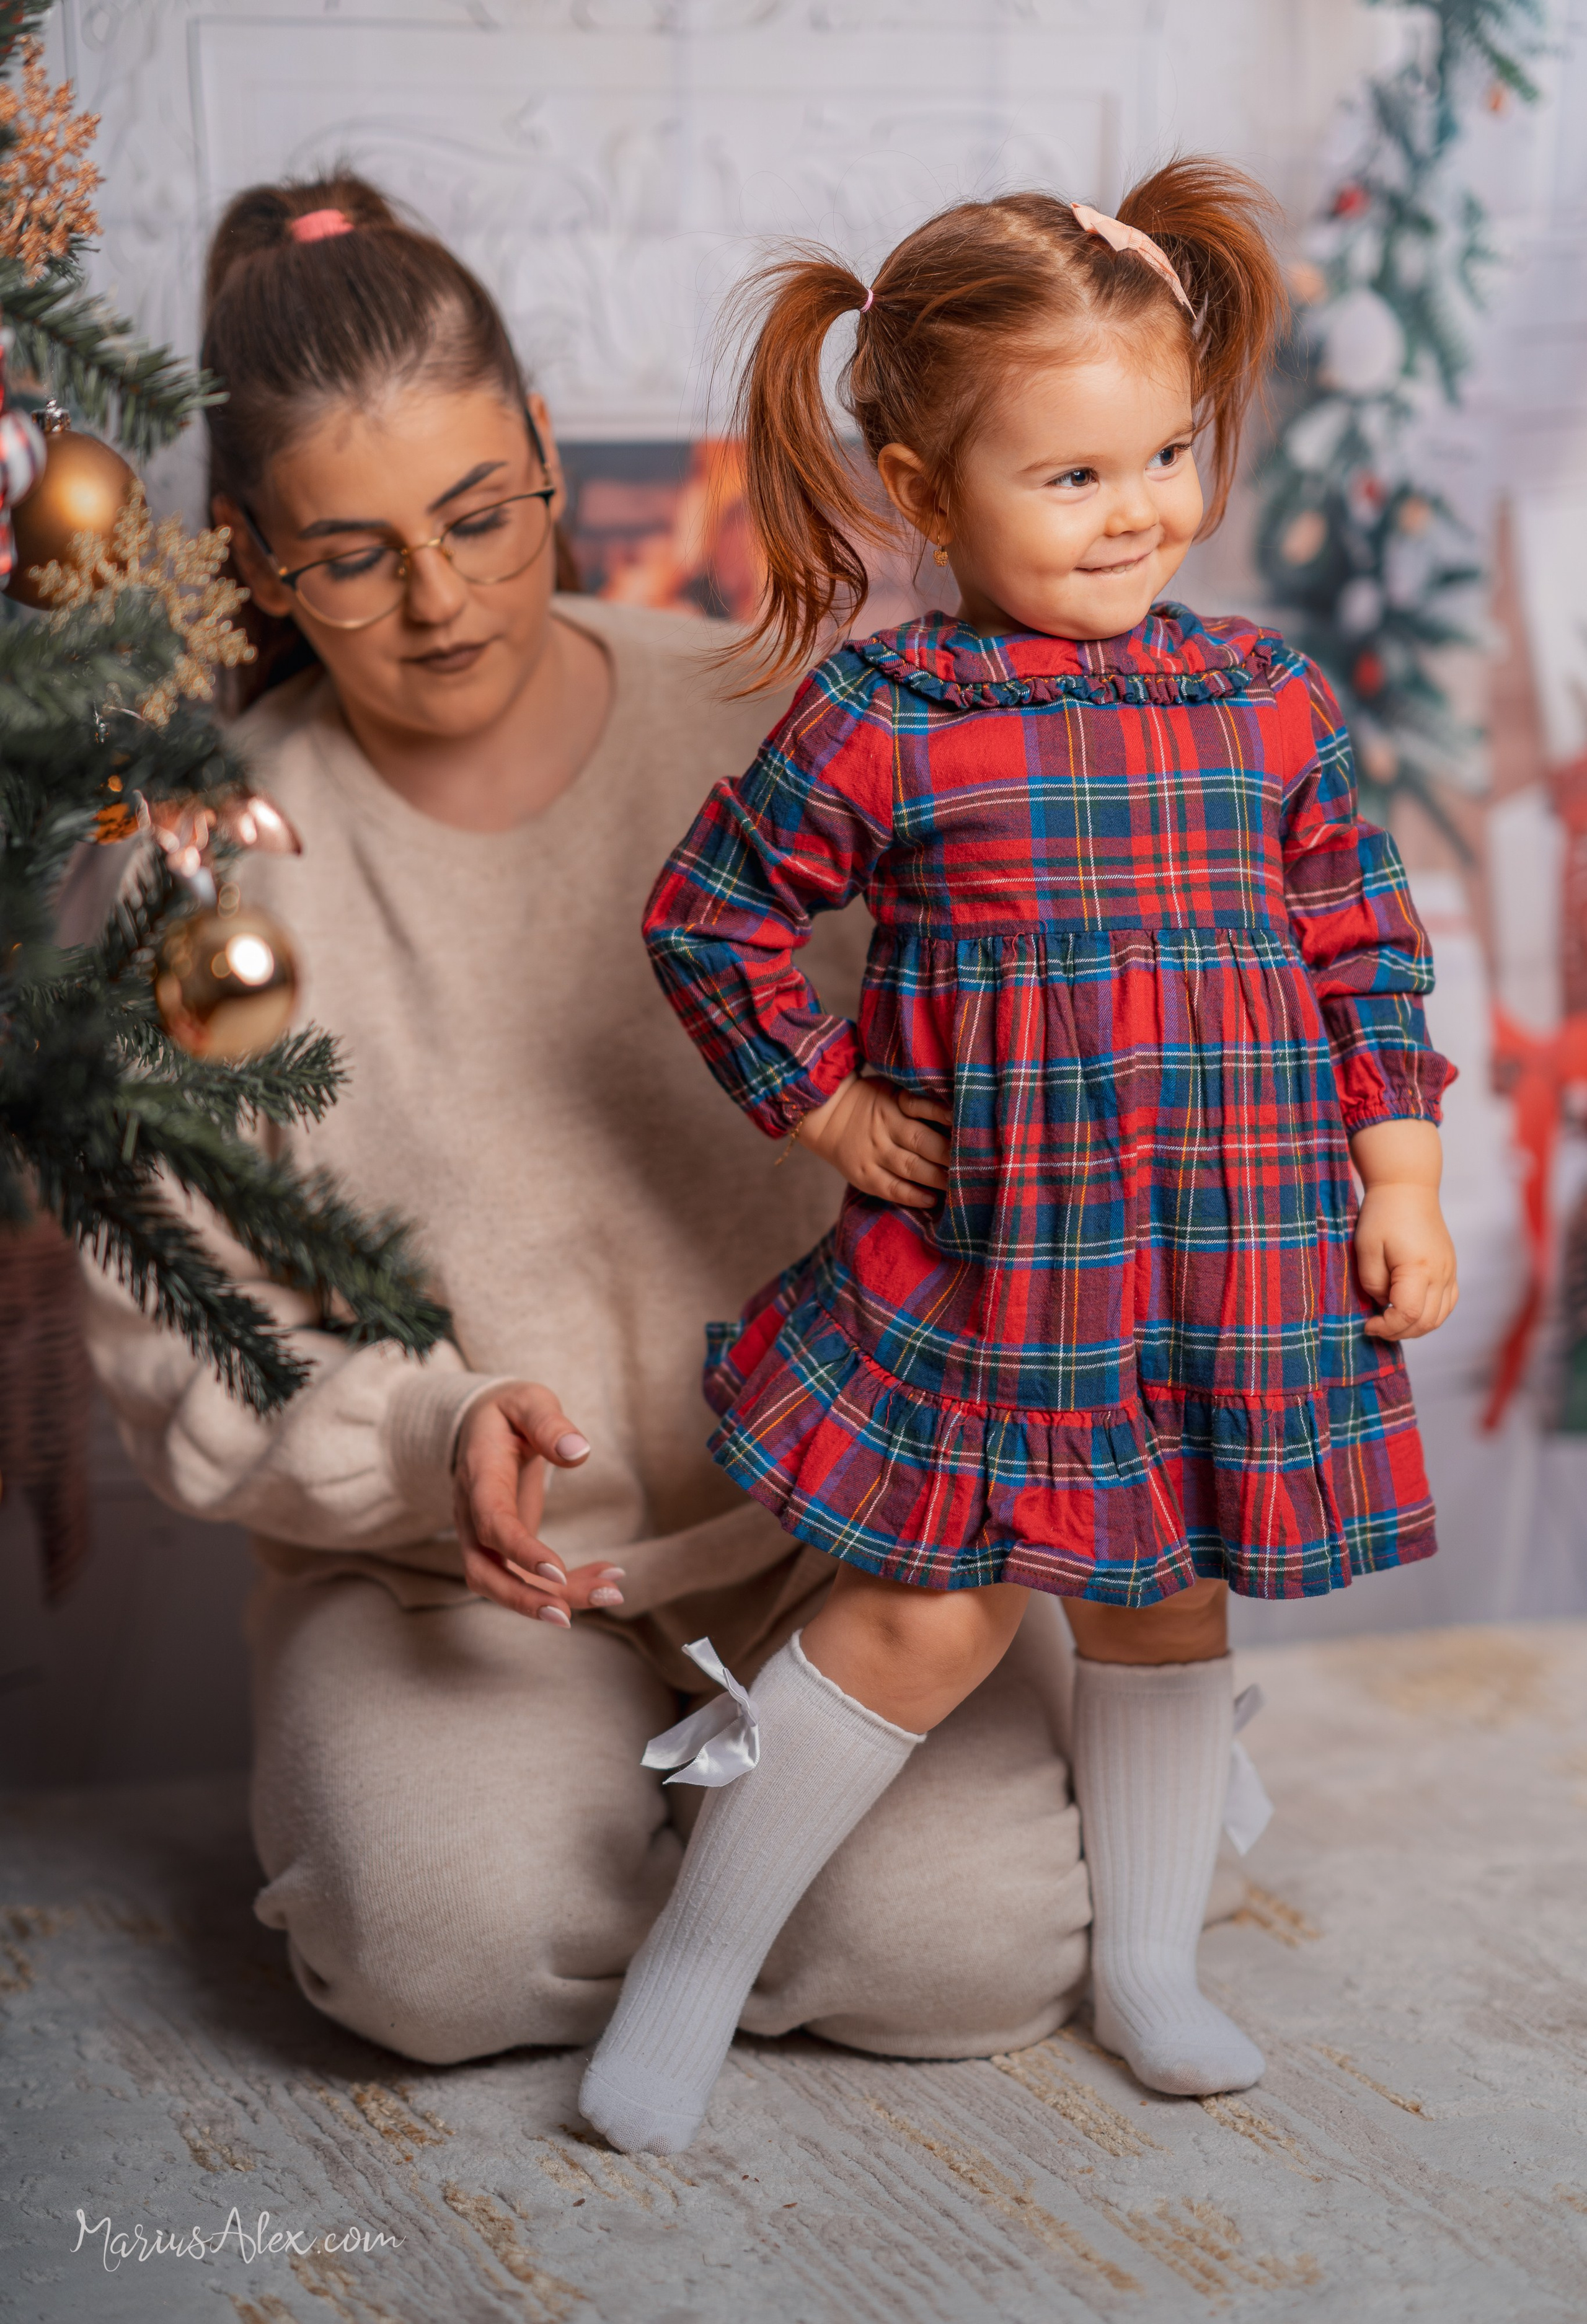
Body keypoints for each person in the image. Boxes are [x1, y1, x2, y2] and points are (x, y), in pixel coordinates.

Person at [80, 173, 1094, 2069]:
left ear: (548, 448)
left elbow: (1015, 1063)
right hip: (448, 1585)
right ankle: (622, 1840)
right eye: (355, 555)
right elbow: (169, 1327)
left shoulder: (773, 725)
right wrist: (427, 1435)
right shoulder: (200, 882)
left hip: (841, 1534)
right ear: (249, 554)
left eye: (480, 514)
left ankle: (729, 1852)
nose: (446, 596)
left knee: (963, 1960)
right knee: (443, 1954)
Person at [580, 162, 1459, 2154]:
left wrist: (1397, 1176)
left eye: (1164, 453)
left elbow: (1365, 947)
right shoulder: (895, 713)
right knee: (922, 1614)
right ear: (921, 486)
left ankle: (1150, 1962)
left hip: (1227, 1253)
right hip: (1008, 1273)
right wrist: (817, 1101)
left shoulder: (1270, 706)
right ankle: (695, 1963)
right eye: (1070, 478)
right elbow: (708, 915)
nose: (1137, 506)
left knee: (1167, 1608)